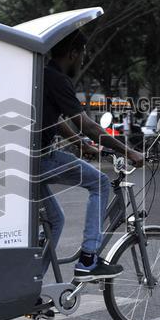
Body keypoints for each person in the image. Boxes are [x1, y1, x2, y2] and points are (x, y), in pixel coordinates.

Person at [38, 31, 144, 280]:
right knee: (100, 182)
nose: (83, 60)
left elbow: (55, 119)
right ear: (74, 53)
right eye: (83, 54)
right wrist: (129, 151)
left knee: (55, 220)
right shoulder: (58, 79)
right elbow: (88, 125)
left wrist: (79, 143)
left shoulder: (42, 75)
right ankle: (88, 259)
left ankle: (32, 287)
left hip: (26, 161)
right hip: (40, 159)